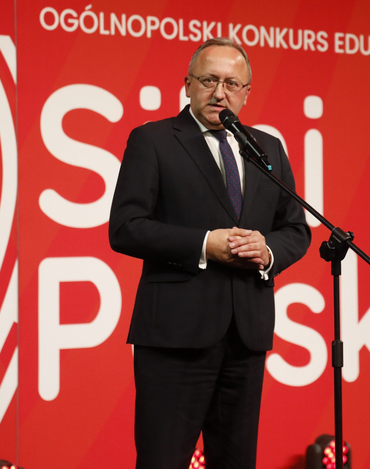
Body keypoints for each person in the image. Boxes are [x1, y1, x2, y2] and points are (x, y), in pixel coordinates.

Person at [108, 38, 311, 469]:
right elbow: (126, 228)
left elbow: (295, 228)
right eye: (209, 80)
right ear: (187, 85)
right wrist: (205, 243)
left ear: (246, 92)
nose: (220, 93)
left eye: (232, 83)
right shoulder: (154, 140)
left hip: (246, 336)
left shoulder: (266, 148)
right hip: (174, 339)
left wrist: (268, 249)